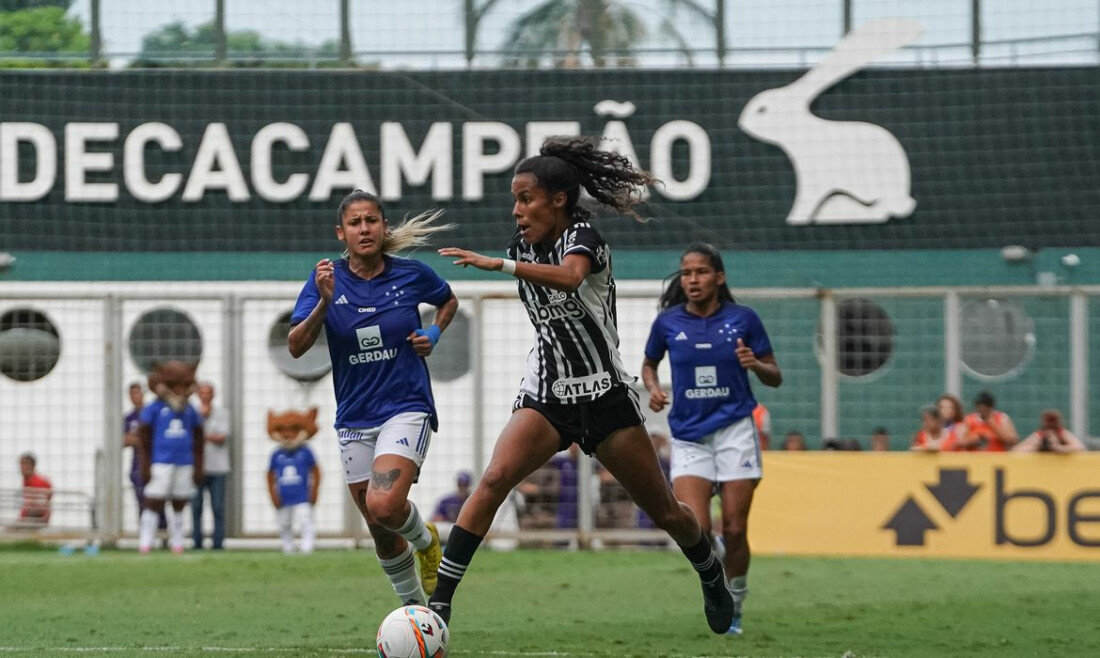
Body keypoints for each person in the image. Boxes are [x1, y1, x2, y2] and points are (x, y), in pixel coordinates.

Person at [430, 137, 736, 635]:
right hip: (548, 392)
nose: (516, 209)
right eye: (513, 199)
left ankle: (709, 570)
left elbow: (571, 278)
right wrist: (509, 258)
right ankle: (437, 604)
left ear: (558, 199)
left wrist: (499, 265)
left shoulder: (584, 237)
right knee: (493, 480)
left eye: (526, 198)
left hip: (605, 394)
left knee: (665, 511)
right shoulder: (522, 245)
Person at [288, 189, 457, 606]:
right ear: (340, 233)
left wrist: (433, 333)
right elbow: (295, 346)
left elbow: (447, 301)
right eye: (355, 223)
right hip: (354, 418)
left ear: (383, 226)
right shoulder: (324, 280)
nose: (364, 229)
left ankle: (427, 540)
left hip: (405, 408)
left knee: (384, 505)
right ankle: (417, 614)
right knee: (380, 530)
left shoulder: (411, 274)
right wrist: (324, 304)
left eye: (372, 221)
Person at [642, 242, 782, 636]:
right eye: (686, 274)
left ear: (719, 277)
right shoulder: (668, 323)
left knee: (735, 529)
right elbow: (649, 364)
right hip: (688, 436)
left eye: (700, 272)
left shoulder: (744, 319)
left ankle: (735, 600)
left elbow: (776, 375)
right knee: (697, 532)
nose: (692, 280)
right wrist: (652, 387)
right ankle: (717, 576)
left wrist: (756, 364)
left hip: (735, 430)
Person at [137, 361, 204, 554]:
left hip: (184, 462)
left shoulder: (190, 410)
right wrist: (145, 464)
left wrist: (198, 465)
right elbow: (144, 436)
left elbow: (199, 439)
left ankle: (178, 542)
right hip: (161, 461)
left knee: (179, 502)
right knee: (153, 500)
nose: (179, 390)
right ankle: (145, 541)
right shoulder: (155, 408)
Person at [268, 433, 321, 554]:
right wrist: (273, 495)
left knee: (305, 520)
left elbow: (316, 471)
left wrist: (314, 491)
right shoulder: (276, 454)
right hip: (283, 496)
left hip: (302, 495)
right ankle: (288, 547)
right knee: (284, 523)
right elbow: (270, 475)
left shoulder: (306, 452)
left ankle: (307, 547)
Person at [192, 382, 230, 550]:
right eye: (203, 393)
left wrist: (203, 437)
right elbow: (190, 437)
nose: (205, 396)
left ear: (213, 395)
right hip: (198, 468)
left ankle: (218, 542)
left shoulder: (222, 413)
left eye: (208, 393)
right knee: (196, 507)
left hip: (218, 468)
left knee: (218, 507)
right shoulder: (193, 414)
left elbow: (222, 437)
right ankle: (197, 542)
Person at [124, 382, 166, 533]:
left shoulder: (153, 413)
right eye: (132, 394)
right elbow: (123, 440)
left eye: (138, 393)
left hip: (156, 464)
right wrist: (141, 439)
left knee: (159, 500)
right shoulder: (129, 418)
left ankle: (163, 534)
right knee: (141, 501)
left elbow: (157, 437)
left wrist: (140, 439)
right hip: (137, 467)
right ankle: (145, 535)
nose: (135, 397)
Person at [1013, 410, 1086, 453]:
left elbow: (1081, 448)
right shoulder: (1039, 435)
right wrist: (1037, 447)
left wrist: (1058, 448)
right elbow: (1015, 451)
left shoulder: (1062, 433)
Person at [18, 452, 52, 526]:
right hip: (29, 518)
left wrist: (22, 521)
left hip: (35, 521)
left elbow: (40, 508)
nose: (21, 467)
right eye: (20, 464)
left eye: (24, 464)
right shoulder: (27, 481)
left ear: (32, 466)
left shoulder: (39, 483)